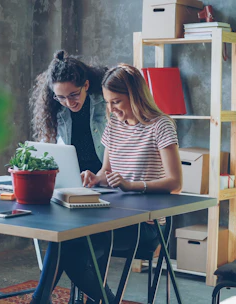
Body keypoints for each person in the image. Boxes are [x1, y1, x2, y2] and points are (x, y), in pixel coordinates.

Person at [74, 63, 183, 303]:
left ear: (134, 96)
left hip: (147, 224)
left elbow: (175, 183)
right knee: (68, 243)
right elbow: (107, 172)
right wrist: (94, 177)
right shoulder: (113, 125)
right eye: (108, 103)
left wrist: (133, 185)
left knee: (79, 243)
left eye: (117, 102)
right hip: (113, 216)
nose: (111, 110)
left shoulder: (160, 125)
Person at [29, 50, 108, 304]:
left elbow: (117, 152)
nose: (68, 102)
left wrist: (99, 176)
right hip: (76, 187)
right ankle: (41, 299)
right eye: (60, 97)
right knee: (62, 235)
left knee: (64, 239)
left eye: (73, 95)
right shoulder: (56, 109)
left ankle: (40, 299)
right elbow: (51, 150)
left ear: (86, 85)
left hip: (105, 186)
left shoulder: (107, 104)